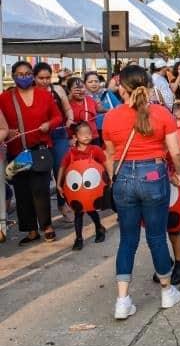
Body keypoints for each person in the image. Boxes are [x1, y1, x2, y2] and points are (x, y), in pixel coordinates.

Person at [102, 65, 180, 320]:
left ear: (121, 87)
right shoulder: (161, 113)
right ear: (148, 86)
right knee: (157, 237)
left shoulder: (111, 117)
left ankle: (122, 299)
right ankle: (166, 291)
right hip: (153, 175)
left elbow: (109, 156)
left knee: (127, 240)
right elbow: (176, 151)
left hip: (124, 176)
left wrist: (114, 178)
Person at [0, 61, 63, 244]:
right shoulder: (5, 98)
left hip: (40, 151)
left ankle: (47, 226)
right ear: (13, 76)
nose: (24, 77)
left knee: (40, 189)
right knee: (22, 192)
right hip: (17, 153)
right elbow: (2, 124)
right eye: (20, 74)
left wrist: (48, 125)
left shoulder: (44, 95)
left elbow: (58, 116)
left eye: (28, 73)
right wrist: (8, 131)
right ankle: (31, 230)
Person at [33, 62, 76, 223]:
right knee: (42, 173)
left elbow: (67, 109)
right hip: (39, 136)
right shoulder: (31, 92)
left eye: (47, 77)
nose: (44, 81)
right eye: (40, 78)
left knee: (61, 169)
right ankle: (42, 213)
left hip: (58, 134)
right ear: (34, 77)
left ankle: (63, 203)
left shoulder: (57, 90)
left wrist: (70, 119)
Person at [57, 122, 107, 251]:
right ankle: (78, 238)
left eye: (89, 134)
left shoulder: (95, 150)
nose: (87, 136)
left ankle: (99, 228)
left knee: (91, 210)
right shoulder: (71, 153)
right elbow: (62, 167)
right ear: (75, 137)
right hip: (77, 192)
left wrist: (110, 178)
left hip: (91, 191)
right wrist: (58, 184)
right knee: (78, 213)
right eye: (83, 134)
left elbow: (105, 163)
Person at [66, 77, 100, 145]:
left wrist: (111, 110)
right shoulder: (66, 103)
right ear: (69, 90)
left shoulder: (89, 99)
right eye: (76, 88)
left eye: (82, 87)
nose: (80, 90)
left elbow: (99, 109)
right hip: (77, 140)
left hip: (93, 137)